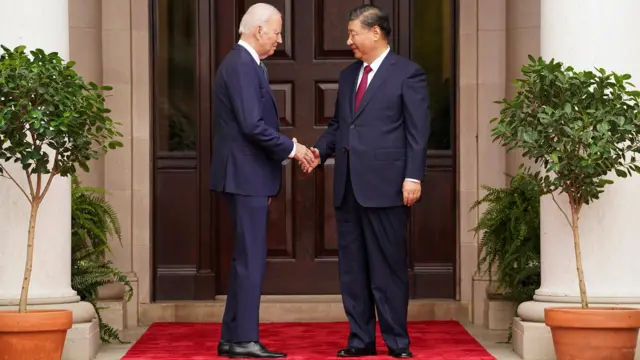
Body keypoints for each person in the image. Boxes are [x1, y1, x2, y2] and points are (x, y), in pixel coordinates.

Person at [300, 4, 430, 359]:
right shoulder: (347, 76)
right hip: (348, 187)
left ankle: (397, 343)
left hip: (388, 187)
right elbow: (340, 126)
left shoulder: (408, 74)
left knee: (388, 268)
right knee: (353, 269)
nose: (348, 41)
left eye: (353, 33)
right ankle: (360, 339)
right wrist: (318, 151)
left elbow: (418, 134)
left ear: (376, 32)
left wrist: (413, 176)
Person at [209, 3, 315, 358]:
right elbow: (252, 126)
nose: (279, 39)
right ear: (258, 31)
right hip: (245, 176)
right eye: (277, 31)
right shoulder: (241, 65)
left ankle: (231, 337)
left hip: (248, 175)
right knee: (250, 260)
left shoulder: (248, 65)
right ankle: (244, 340)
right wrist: (294, 149)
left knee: (246, 258)